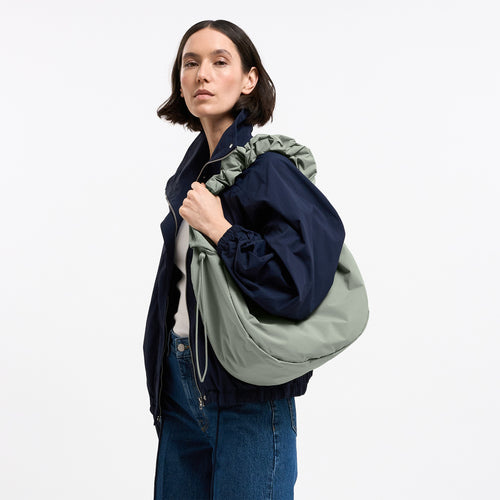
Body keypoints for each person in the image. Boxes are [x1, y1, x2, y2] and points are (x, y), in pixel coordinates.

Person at [143, 19, 345, 499]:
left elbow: (298, 284)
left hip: (248, 399)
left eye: (220, 62)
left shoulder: (267, 169)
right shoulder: (191, 177)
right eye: (190, 63)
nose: (202, 75)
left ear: (249, 79)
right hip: (180, 389)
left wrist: (223, 231)